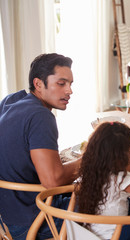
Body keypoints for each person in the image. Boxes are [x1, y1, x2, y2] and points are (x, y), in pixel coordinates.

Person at [0, 53, 81, 239]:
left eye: (70, 84)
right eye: (61, 84)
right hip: (34, 219)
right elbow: (52, 181)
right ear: (38, 84)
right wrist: (90, 158)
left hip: (7, 217)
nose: (69, 91)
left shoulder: (10, 101)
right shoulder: (40, 116)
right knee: (118, 203)